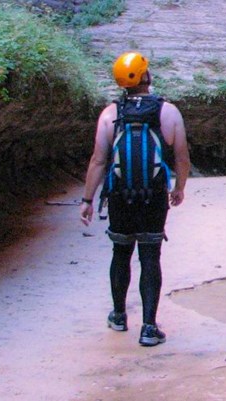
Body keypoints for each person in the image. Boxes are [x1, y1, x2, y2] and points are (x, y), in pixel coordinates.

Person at [80, 52, 191, 347]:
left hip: (120, 196)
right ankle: (149, 327)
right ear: (145, 76)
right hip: (153, 198)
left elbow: (98, 161)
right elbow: (181, 158)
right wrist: (179, 188)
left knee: (121, 253)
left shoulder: (109, 115)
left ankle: (118, 316)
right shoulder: (168, 113)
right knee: (150, 256)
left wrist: (88, 199)